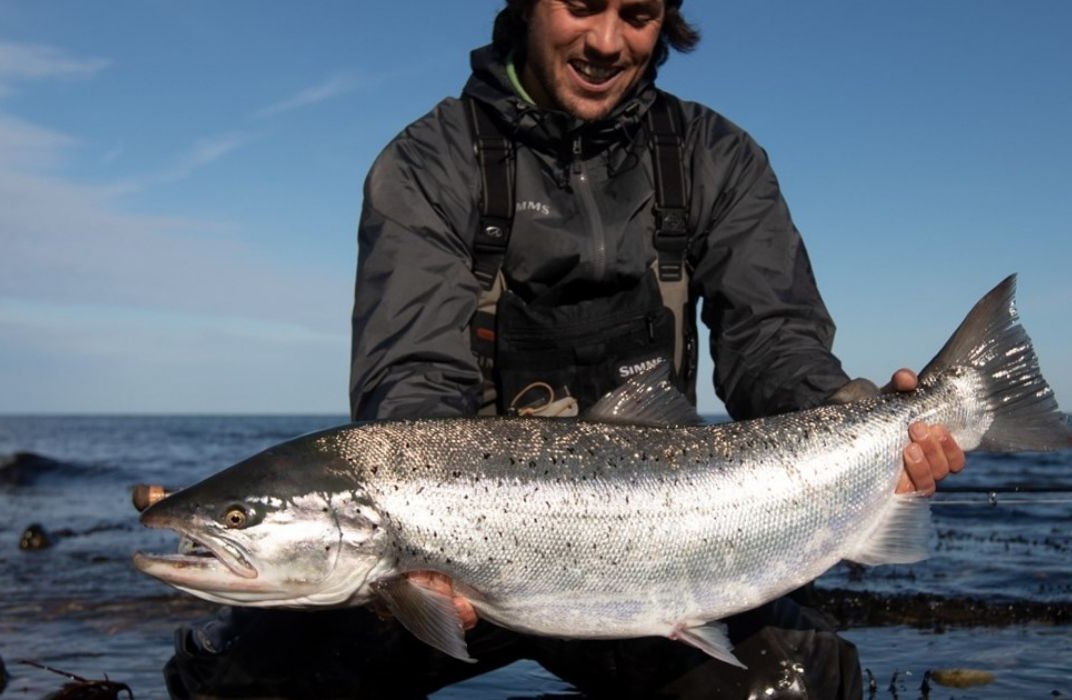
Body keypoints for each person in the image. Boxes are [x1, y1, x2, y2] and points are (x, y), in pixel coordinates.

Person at [166, 1, 964, 697]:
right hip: (454, 564)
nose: (609, 41)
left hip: (666, 543)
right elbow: (411, 384)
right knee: (240, 684)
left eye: (639, 14)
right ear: (527, 6)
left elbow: (774, 343)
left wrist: (853, 421)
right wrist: (427, 564)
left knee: (804, 686)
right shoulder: (427, 165)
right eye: (582, 5)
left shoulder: (717, 158)